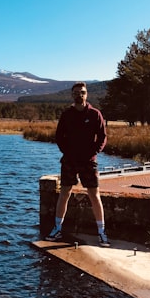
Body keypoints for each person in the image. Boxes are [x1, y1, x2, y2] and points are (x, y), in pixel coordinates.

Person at [45, 82, 110, 247]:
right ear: (72, 95)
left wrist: (94, 152)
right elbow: (59, 136)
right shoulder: (67, 114)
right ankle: (57, 228)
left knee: (94, 195)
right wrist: (67, 152)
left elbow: (102, 137)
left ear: (86, 94)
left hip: (89, 162)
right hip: (69, 161)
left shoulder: (95, 114)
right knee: (64, 193)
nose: (79, 95)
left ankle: (102, 233)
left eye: (82, 92)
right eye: (76, 93)